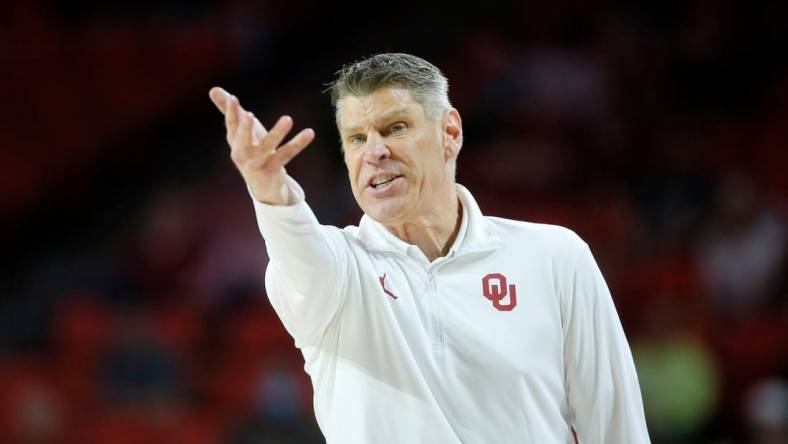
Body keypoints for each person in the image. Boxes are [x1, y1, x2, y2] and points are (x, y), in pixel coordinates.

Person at [208, 53, 650, 443]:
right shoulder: (336, 271)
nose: (375, 151)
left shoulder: (555, 256)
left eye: (394, 127)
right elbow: (295, 243)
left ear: (449, 132)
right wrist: (270, 190)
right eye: (357, 139)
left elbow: (614, 421)